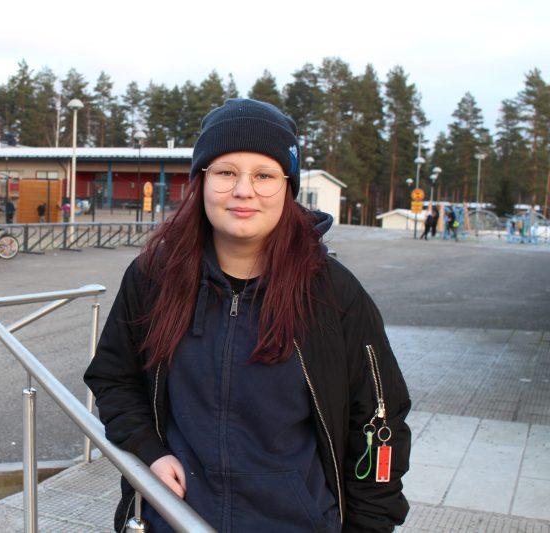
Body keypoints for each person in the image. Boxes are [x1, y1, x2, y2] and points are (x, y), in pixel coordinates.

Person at [85, 99, 411, 533]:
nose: (243, 190)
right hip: (175, 521)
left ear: (288, 186)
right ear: (200, 181)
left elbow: (379, 423)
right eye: (225, 172)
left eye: (264, 175)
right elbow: (114, 378)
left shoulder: (333, 294)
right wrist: (149, 452)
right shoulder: (154, 277)